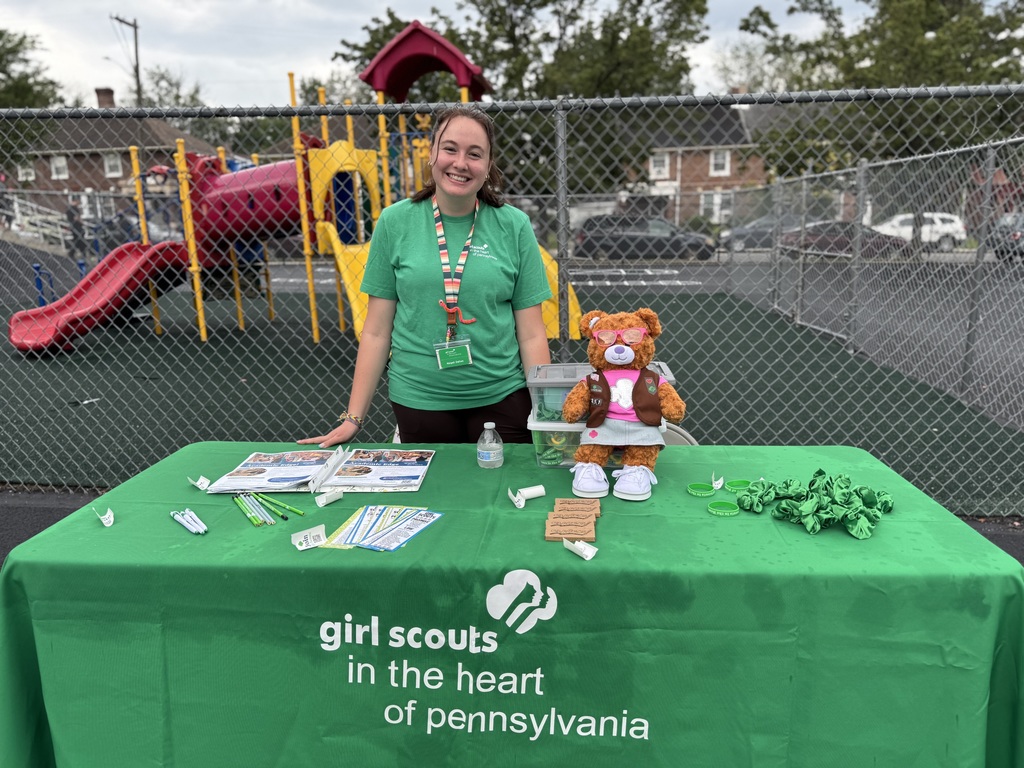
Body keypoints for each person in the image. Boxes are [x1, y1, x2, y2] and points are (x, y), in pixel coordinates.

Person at [298, 105, 552, 448]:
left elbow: (533, 334)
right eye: (450, 149)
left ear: (488, 166)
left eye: (474, 154)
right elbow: (375, 332)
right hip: (419, 400)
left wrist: (545, 412)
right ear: (432, 153)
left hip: (502, 397)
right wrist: (353, 418)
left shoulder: (514, 225)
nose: (460, 163)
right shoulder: (394, 222)